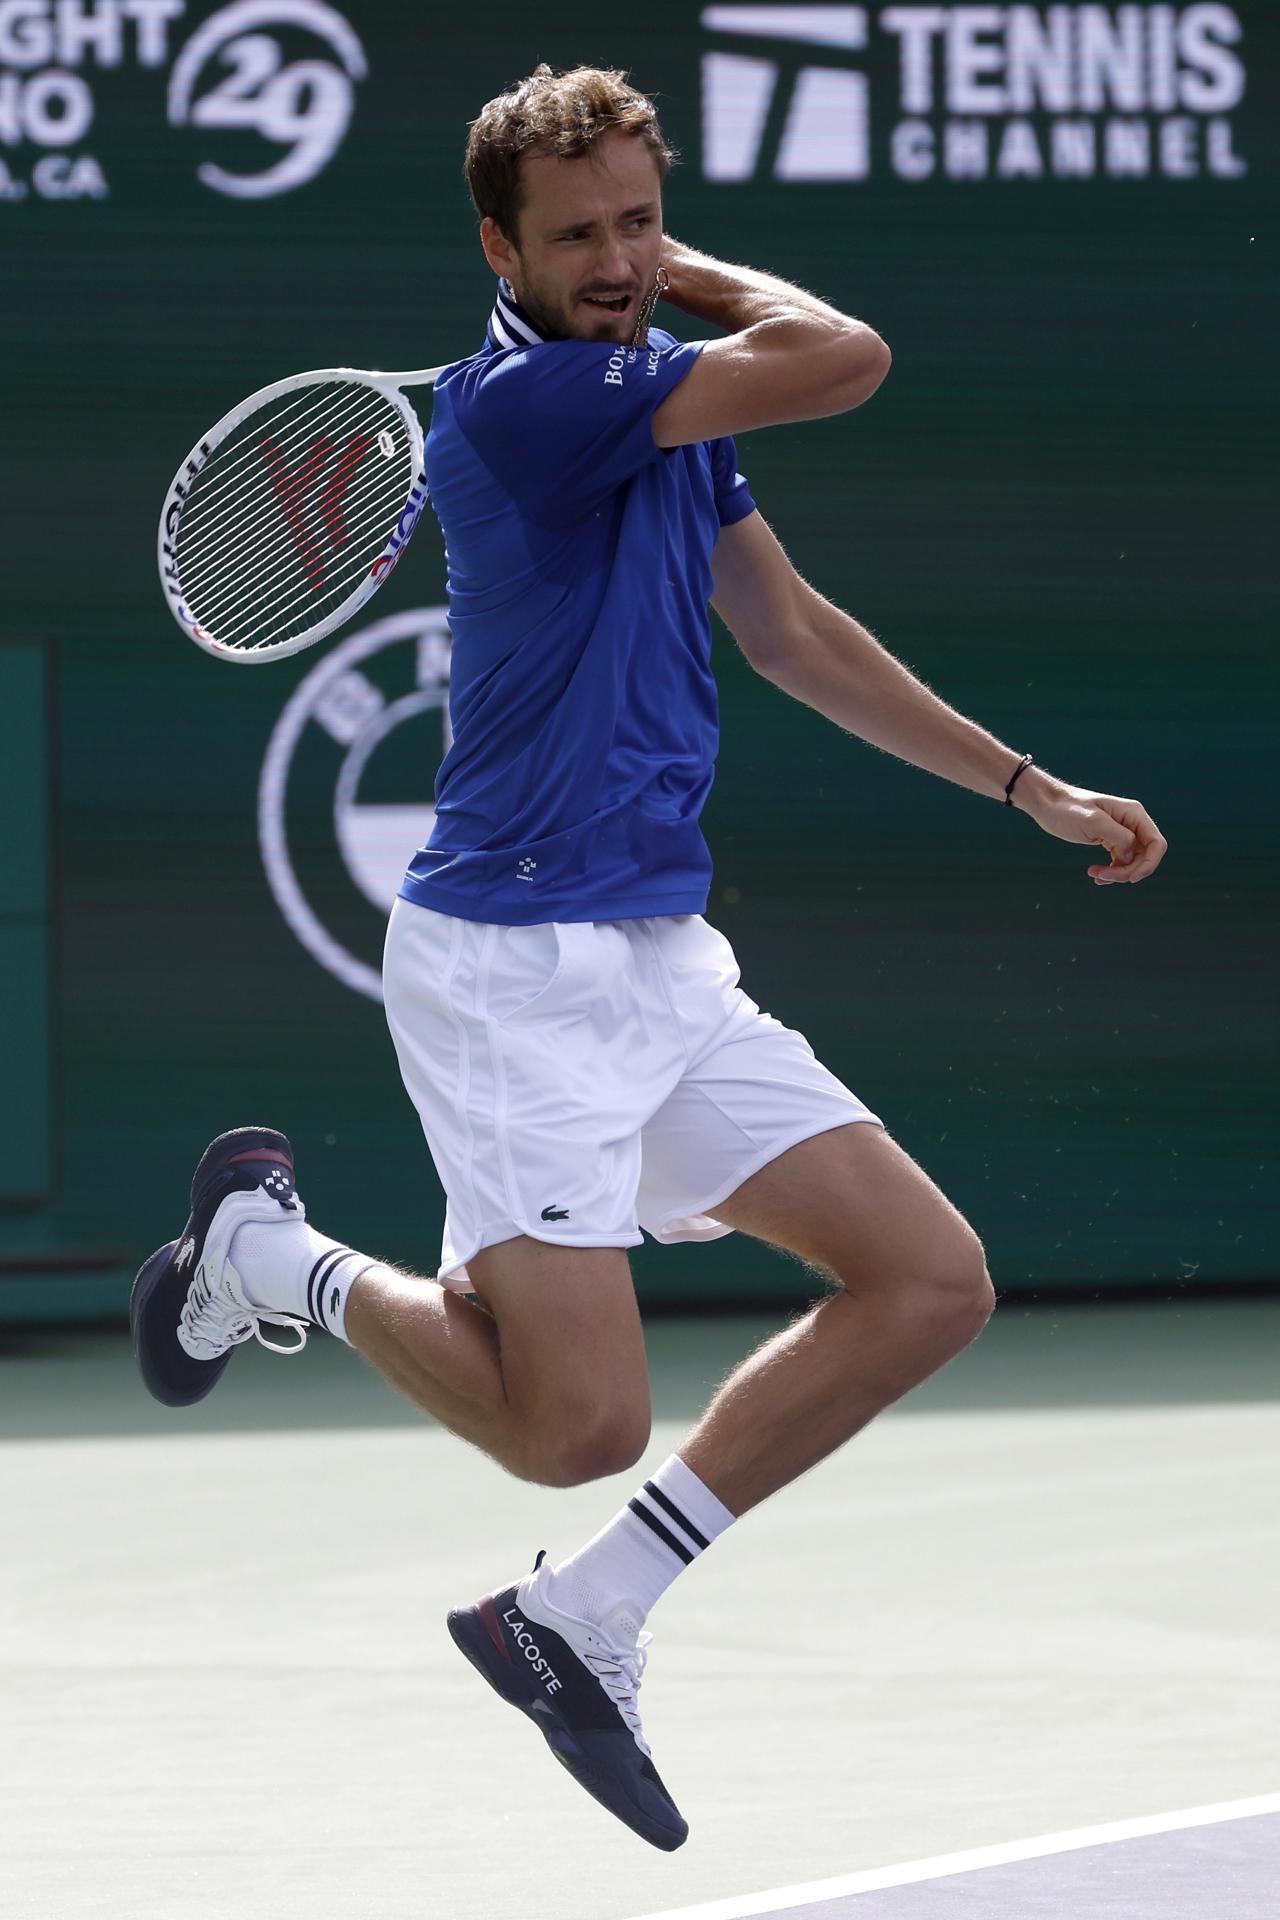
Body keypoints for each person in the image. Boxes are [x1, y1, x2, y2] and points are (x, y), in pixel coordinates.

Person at [131, 64, 1168, 1851]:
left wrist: (1026, 784)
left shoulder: (659, 414)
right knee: (571, 1426)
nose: (615, 259)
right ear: (498, 250)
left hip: (657, 959)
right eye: (581, 235)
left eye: (636, 219)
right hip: (510, 972)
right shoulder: (542, 402)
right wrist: (692, 273)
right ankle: (270, 1255)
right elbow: (850, 354)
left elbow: (788, 631)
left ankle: (585, 1615)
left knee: (929, 1281)